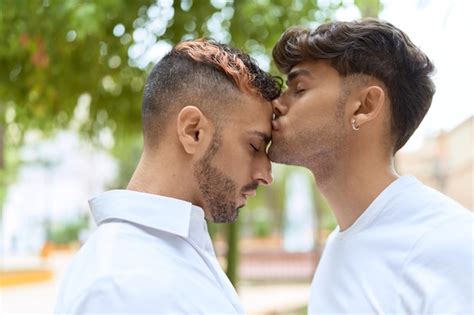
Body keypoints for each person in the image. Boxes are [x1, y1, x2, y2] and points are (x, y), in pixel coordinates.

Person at [55, 39, 280, 314]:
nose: (266, 174)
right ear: (193, 131)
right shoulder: (122, 284)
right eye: (255, 146)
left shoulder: (167, 254)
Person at [269, 18, 473, 314]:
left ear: (364, 106)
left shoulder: (452, 245)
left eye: (299, 88)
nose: (277, 103)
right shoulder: (338, 248)